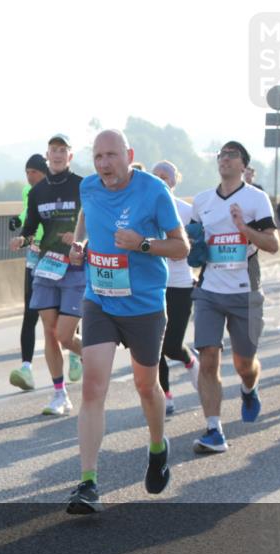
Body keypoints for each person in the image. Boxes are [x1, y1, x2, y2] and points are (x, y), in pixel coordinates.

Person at [65, 130, 189, 514]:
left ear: (128, 154)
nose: (104, 164)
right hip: (100, 300)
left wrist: (143, 244)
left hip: (145, 306)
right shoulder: (89, 186)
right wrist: (81, 245)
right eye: (98, 156)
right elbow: (87, 213)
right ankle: (88, 483)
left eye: (111, 156)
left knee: (145, 386)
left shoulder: (154, 191)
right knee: (92, 387)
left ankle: (157, 447)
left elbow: (182, 246)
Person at [190, 141, 279, 453]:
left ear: (244, 165)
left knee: (244, 362)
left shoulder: (256, 199)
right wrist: (193, 246)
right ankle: (214, 429)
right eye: (221, 155)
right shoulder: (202, 201)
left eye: (232, 155)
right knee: (208, 357)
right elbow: (193, 242)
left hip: (246, 291)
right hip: (209, 291)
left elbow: (272, 244)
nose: (225, 159)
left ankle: (248, 388)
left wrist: (243, 228)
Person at [8, 135, 84, 416]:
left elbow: (93, 220)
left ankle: (90, 355)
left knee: (65, 336)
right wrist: (22, 240)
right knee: (50, 332)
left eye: (63, 150)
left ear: (70, 156)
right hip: (46, 267)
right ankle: (59, 393)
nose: (58, 155)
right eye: (54, 150)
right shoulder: (38, 192)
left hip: (74, 267)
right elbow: (30, 227)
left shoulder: (83, 186)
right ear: (47, 155)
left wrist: (79, 238)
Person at [150, 161, 200, 415]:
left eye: (165, 176)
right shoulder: (143, 209)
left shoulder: (187, 211)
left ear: (174, 181)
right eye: (155, 176)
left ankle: (190, 361)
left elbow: (203, 243)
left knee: (171, 345)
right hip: (152, 285)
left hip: (180, 284)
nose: (160, 180)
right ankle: (166, 395)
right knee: (153, 346)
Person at [8, 153, 50, 391]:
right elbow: (29, 214)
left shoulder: (57, 190)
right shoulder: (29, 192)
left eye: (33, 172)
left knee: (56, 315)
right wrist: (18, 222)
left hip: (55, 252)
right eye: (27, 172)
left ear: (43, 172)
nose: (29, 177)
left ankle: (75, 353)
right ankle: (26, 368)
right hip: (34, 253)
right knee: (30, 312)